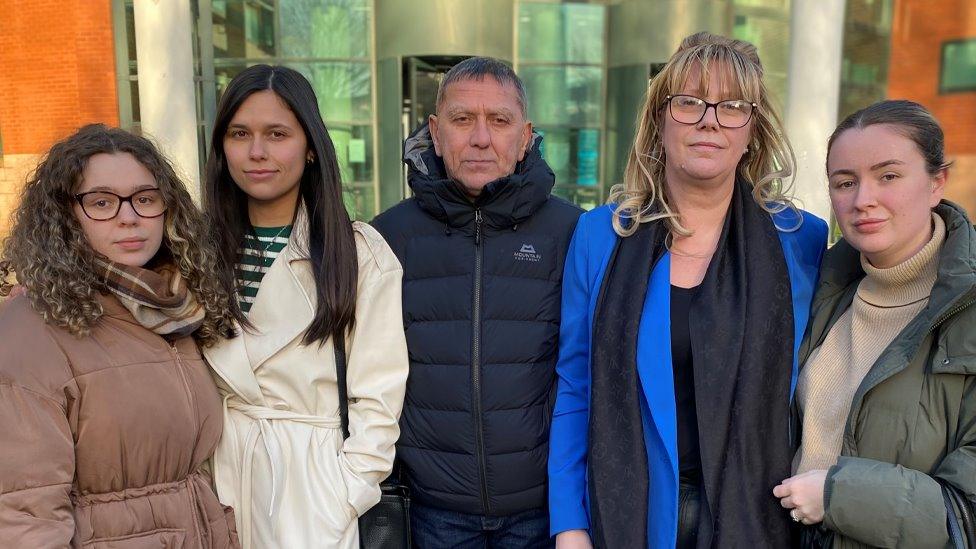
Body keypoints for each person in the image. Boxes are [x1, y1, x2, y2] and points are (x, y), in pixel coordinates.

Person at [548, 32, 829, 548]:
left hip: (759, 512)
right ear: (659, 120)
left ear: (752, 129)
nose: (709, 119)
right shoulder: (601, 235)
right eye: (689, 102)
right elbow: (574, 386)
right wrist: (570, 526)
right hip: (631, 511)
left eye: (732, 106)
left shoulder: (803, 241)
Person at [372, 56, 582, 547]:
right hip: (431, 513)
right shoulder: (386, 238)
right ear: (435, 131)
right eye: (462, 119)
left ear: (525, 135)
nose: (481, 138)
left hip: (542, 512)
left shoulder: (573, 234)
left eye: (500, 121)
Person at [0, 124, 240, 547]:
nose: (128, 217)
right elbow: (24, 513)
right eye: (102, 202)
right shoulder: (29, 329)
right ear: (64, 215)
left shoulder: (177, 309)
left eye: (145, 198)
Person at [200, 64, 409, 549]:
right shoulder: (197, 249)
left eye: (277, 134)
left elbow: (379, 400)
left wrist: (343, 494)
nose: (257, 152)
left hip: (311, 485)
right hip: (217, 478)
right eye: (240, 133)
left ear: (310, 146)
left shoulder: (357, 253)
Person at [775, 100, 976, 548]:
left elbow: (968, 511)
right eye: (845, 182)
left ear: (936, 182)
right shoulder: (820, 290)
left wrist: (838, 495)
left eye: (888, 176)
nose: (863, 199)